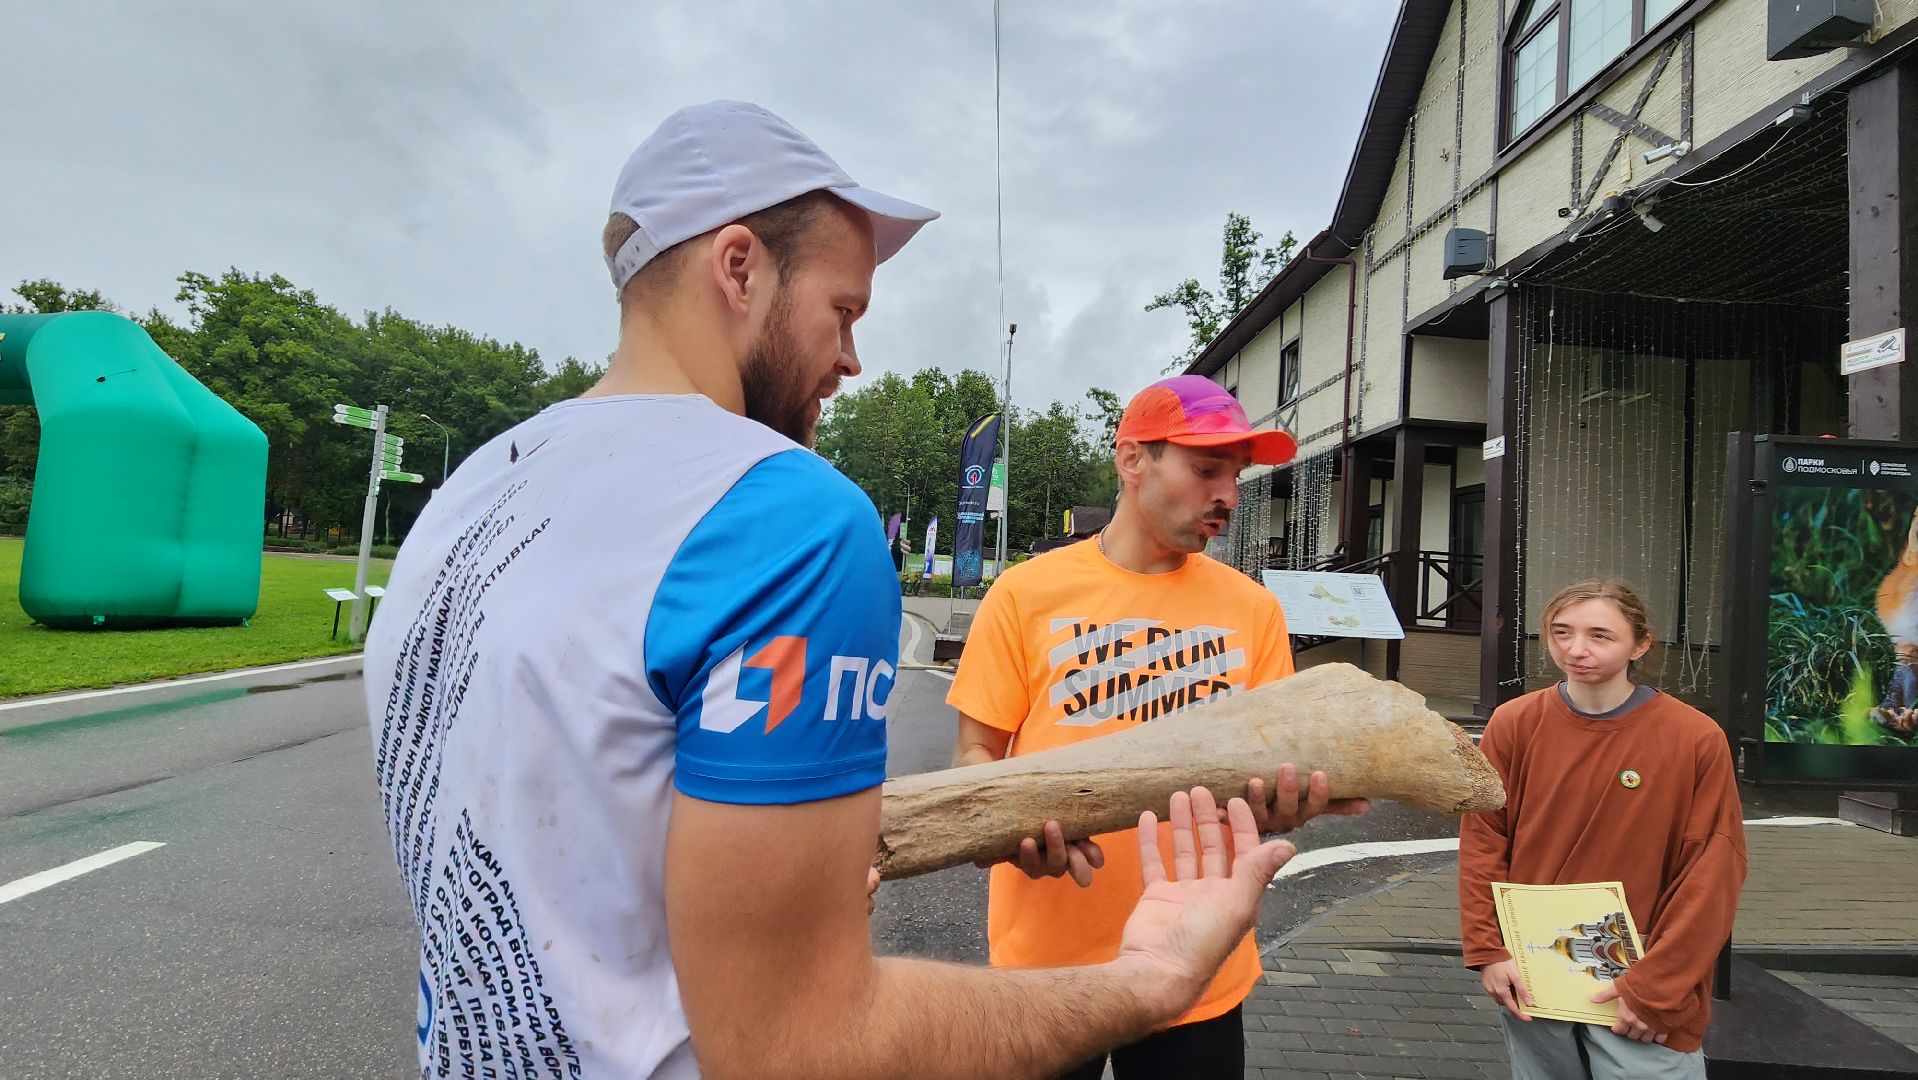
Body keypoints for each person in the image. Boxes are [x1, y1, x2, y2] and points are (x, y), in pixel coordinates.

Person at [363, 101, 1299, 1080]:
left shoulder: (472, 492)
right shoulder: (788, 519)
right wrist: (1145, 983)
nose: (851, 361)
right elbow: (799, 1046)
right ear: (738, 268)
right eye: (842, 311)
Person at [946, 375, 1370, 1080]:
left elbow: (1268, 766)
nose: (1229, 495)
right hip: (1047, 963)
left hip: (1199, 955)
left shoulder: (1253, 609)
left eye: (1236, 475)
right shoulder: (1025, 593)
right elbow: (976, 751)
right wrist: (1004, 831)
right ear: (1132, 458)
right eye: (1207, 470)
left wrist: (1281, 805)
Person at [1458, 579, 1748, 1080]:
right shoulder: (1514, 724)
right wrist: (1488, 950)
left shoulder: (1694, 738)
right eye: (1561, 632)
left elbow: (1713, 870)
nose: (1576, 649)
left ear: (1640, 644)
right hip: (1536, 970)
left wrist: (1658, 987)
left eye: (1600, 635)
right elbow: (1484, 844)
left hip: (1641, 979)